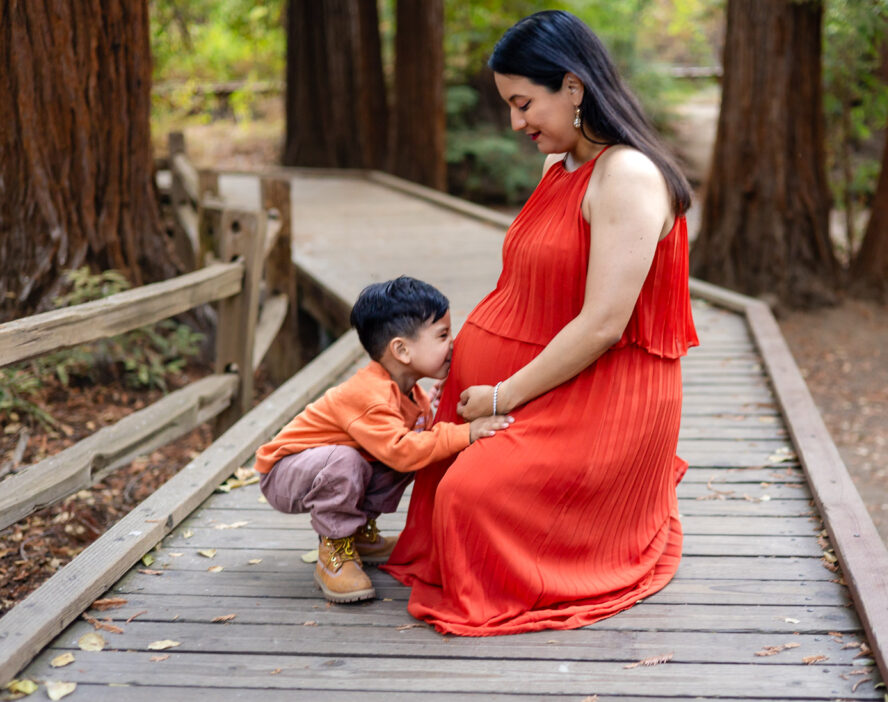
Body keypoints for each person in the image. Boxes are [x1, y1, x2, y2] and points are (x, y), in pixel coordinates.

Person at [381, 10, 699, 635]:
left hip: (598, 400)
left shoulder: (627, 175)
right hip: (530, 390)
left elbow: (604, 324)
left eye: (523, 103)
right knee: (437, 477)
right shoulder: (559, 165)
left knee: (468, 496)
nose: (515, 122)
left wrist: (501, 394)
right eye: (510, 105)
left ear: (573, 87)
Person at [254, 276, 511, 603]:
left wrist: (441, 404)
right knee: (357, 459)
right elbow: (402, 451)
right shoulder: (369, 395)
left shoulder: (411, 394)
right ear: (401, 350)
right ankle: (335, 547)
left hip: (326, 466)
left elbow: (418, 447)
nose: (453, 344)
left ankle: (359, 533)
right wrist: (467, 432)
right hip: (283, 472)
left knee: (414, 450)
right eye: (443, 335)